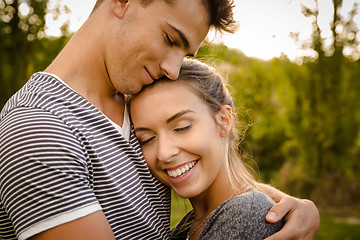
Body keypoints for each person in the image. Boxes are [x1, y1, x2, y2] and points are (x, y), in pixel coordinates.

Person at [0, 0, 319, 239]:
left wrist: (286, 208)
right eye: (169, 38)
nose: (173, 69)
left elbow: (217, 187)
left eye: (185, 54)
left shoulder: (139, 102)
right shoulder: (39, 128)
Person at [129, 58, 283, 239]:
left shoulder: (244, 213)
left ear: (223, 121)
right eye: (146, 139)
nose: (164, 153)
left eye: (182, 127)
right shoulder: (189, 225)